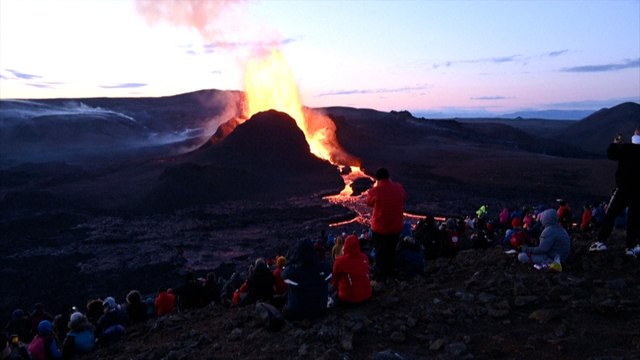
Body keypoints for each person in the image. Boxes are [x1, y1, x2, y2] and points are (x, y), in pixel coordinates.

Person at [590, 128, 640, 257]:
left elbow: (611, 154)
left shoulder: (626, 148)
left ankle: (601, 242)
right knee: (633, 220)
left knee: (610, 215)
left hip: (623, 189)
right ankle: (631, 247)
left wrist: (615, 142)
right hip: (637, 192)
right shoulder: (628, 148)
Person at [366, 167, 406, 281]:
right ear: (389, 177)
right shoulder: (399, 188)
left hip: (380, 228)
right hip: (396, 227)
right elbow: (403, 198)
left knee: (380, 252)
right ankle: (392, 273)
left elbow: (368, 203)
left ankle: (380, 277)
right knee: (392, 249)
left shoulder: (375, 191)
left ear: (377, 179)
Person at [281, 239, 332, 320]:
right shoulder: (324, 268)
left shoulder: (292, 273)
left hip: (299, 311)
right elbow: (329, 270)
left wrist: (292, 260)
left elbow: (283, 273)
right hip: (320, 308)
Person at [332, 234, 372, 305]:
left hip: (348, 299)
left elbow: (335, 281)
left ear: (346, 245)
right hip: (367, 295)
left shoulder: (339, 261)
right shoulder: (364, 257)